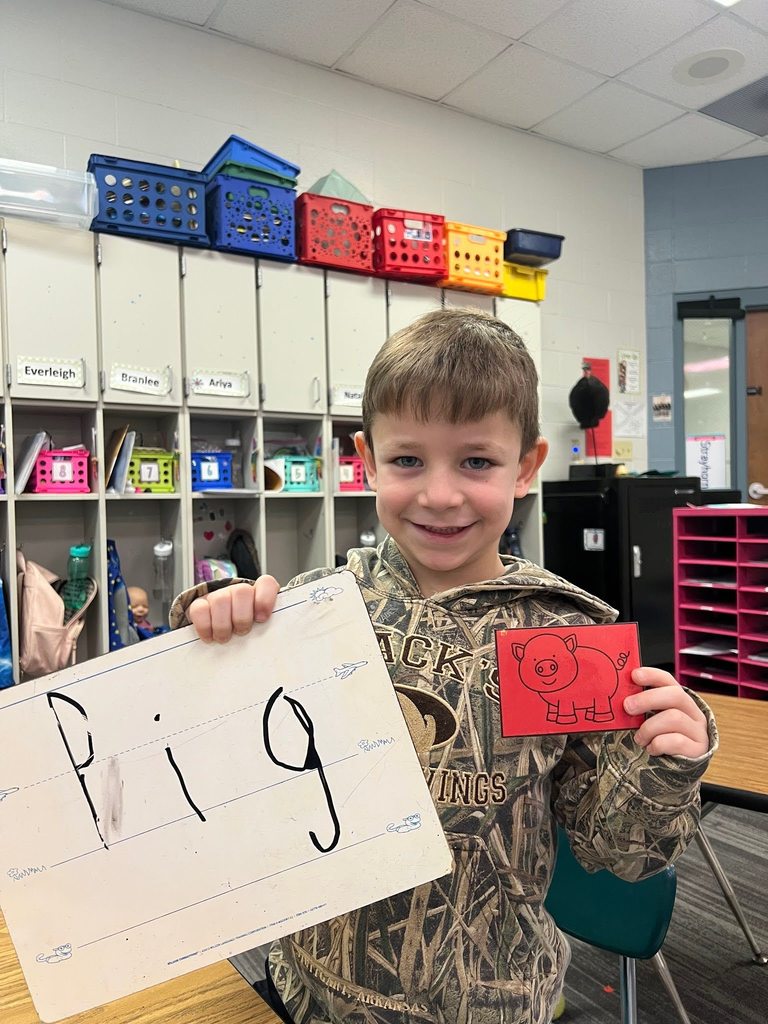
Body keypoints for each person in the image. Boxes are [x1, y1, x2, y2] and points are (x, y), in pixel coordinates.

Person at [170, 308, 716, 1024]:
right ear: (366, 459)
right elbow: (219, 770)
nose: (439, 494)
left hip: (490, 1007)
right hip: (308, 993)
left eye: (477, 461)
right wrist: (215, 628)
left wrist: (665, 765)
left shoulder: (565, 636)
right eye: (407, 460)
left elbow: (619, 854)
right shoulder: (313, 611)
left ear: (526, 467)